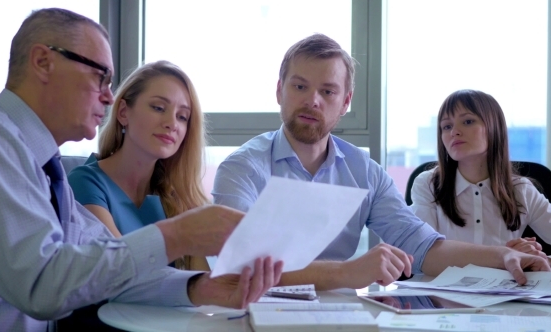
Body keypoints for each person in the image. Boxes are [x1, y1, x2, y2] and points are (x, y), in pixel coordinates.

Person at [0, 8, 281, 332]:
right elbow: (41, 283)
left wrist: (198, 288)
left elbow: (106, 266)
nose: (109, 96)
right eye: (100, 76)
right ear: (43, 62)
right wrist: (178, 235)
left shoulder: (44, 168)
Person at [212, 33, 550, 291]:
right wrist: (347, 272)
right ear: (279, 91)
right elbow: (239, 268)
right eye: (300, 86)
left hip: (338, 314)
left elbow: (424, 247)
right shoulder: (242, 168)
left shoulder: (365, 173)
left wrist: (502, 257)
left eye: (328, 92)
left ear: (345, 102)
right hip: (256, 312)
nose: (312, 101)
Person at [68, 60, 210, 271]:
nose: (171, 123)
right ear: (124, 112)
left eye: (182, 117)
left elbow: (204, 282)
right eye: (158, 108)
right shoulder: (85, 183)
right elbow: (124, 270)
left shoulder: (178, 197)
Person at [410, 89, 551, 260]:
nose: (455, 131)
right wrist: (507, 255)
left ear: (494, 128)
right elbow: (421, 253)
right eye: (447, 126)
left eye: (468, 121)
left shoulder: (521, 190)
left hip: (504, 286)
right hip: (440, 285)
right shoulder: (428, 184)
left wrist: (537, 256)